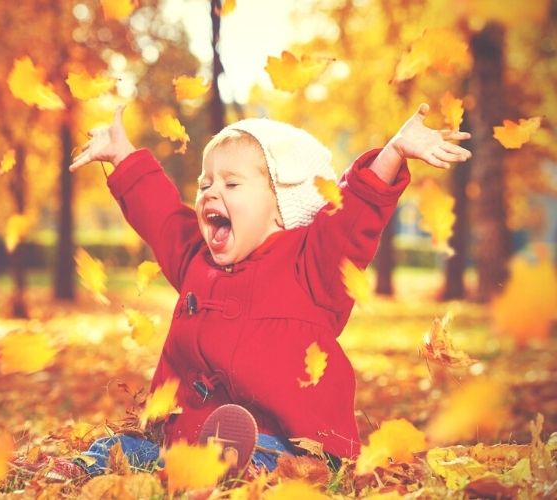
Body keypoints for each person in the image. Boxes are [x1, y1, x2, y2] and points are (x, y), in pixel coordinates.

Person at [36, 103, 470, 482]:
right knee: (126, 449)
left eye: (231, 183)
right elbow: (163, 216)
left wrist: (392, 153)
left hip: (287, 443)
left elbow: (352, 219)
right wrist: (123, 156)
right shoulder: (196, 260)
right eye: (206, 183)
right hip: (184, 436)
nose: (210, 192)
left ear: (281, 206)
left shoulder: (311, 265)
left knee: (262, 456)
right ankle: (84, 465)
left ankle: (234, 471)